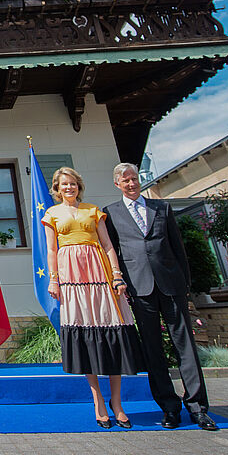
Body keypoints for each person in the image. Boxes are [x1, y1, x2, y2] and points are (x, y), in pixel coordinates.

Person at [103, 162, 218, 430]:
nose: (131, 184)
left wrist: (185, 284)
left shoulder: (162, 208)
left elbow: (178, 247)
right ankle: (169, 407)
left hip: (171, 284)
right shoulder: (110, 213)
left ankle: (198, 407)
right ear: (117, 184)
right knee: (153, 349)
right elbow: (114, 252)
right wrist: (119, 283)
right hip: (140, 288)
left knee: (185, 346)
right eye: (125, 180)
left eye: (134, 178)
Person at [41, 167, 145, 429]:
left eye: (73, 183)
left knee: (112, 333)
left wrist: (117, 275)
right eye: (64, 184)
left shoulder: (93, 210)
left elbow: (108, 245)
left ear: (79, 186)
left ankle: (117, 402)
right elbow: (51, 249)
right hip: (72, 278)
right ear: (57, 188)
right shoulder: (52, 214)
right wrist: (53, 279)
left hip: (99, 274)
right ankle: (98, 400)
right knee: (85, 335)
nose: (69, 188)